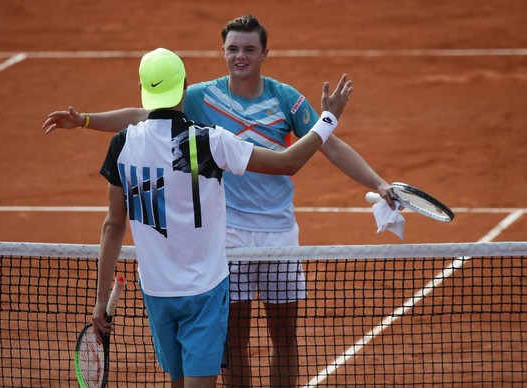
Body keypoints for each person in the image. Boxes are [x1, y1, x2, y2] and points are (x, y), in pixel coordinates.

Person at [43, 16, 392, 387]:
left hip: (278, 235)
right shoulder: (200, 99)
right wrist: (85, 121)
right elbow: (143, 116)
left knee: (285, 337)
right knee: (234, 342)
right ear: (223, 52)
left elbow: (330, 147)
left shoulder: (285, 98)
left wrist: (378, 182)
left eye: (249, 49)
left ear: (264, 53)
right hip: (228, 239)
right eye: (232, 49)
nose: (240, 56)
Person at [87, 47, 351, 388]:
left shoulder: (121, 145)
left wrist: (98, 300)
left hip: (155, 290)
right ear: (184, 87)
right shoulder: (207, 141)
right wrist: (328, 120)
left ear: (144, 90)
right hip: (204, 292)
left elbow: (113, 226)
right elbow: (288, 163)